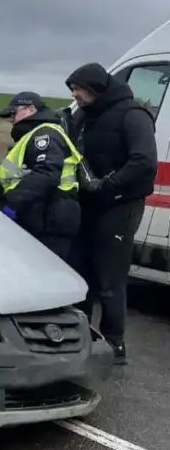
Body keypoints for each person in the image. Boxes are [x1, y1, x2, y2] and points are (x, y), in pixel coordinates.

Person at [64, 63, 157, 365]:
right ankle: (79, 338)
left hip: (120, 205)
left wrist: (108, 186)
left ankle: (114, 344)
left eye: (78, 88)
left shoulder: (133, 115)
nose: (74, 94)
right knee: (80, 272)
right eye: (72, 89)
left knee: (110, 276)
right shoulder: (83, 116)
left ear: (96, 88)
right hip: (89, 203)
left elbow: (144, 161)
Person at [0, 91, 82, 261]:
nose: (11, 119)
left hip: (51, 216)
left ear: (30, 109)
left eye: (14, 112)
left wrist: (11, 202)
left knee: (45, 269)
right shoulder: (34, 135)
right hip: (45, 214)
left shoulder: (44, 135)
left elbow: (47, 173)